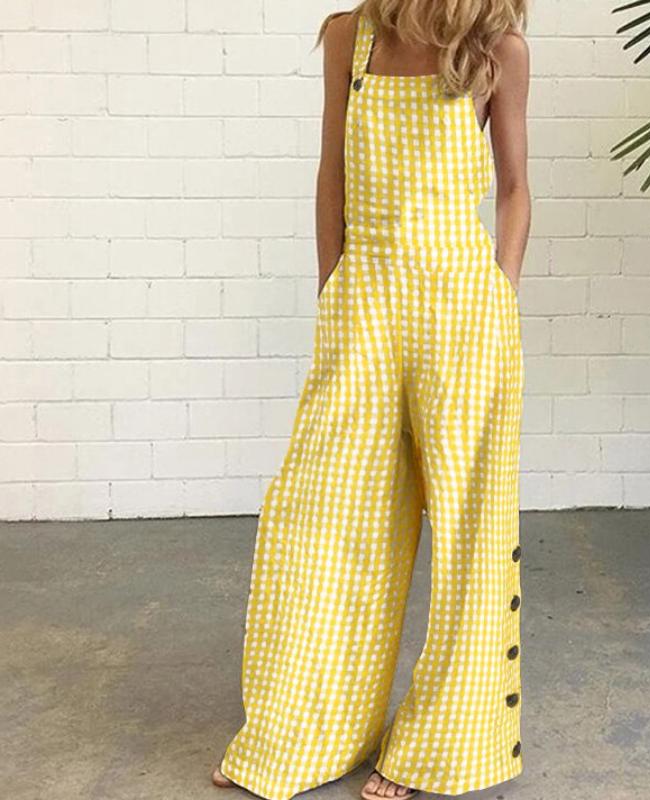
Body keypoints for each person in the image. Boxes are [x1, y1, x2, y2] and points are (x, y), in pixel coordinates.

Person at [211, 1, 530, 798]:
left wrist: (501, 293)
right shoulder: (349, 38)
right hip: (365, 303)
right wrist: (333, 291)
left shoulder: (498, 48)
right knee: (323, 520)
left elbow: (517, 190)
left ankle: (439, 750)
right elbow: (332, 175)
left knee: (470, 535)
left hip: (463, 309)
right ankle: (301, 735)